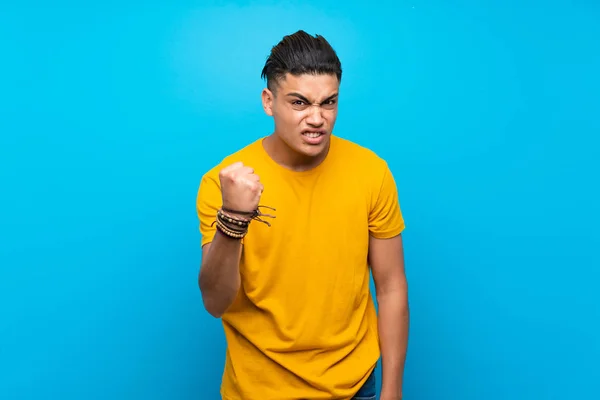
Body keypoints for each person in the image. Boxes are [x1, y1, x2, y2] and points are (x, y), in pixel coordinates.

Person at [196, 30, 409, 400]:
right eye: (299, 103)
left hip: (356, 384)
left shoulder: (371, 172)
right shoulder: (225, 182)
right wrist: (233, 219)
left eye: (329, 103)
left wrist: (392, 391)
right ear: (269, 101)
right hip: (259, 389)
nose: (317, 118)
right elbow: (216, 303)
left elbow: (391, 288)